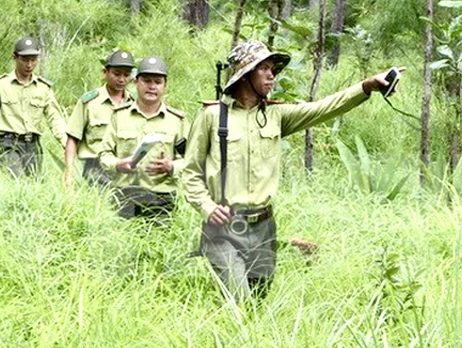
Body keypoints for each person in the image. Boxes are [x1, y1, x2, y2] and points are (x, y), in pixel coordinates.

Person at [181, 39, 404, 301]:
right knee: (239, 300)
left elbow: (322, 109)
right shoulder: (211, 117)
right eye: (263, 68)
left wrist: (366, 86)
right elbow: (190, 171)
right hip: (223, 230)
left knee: (258, 302)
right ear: (244, 75)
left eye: (272, 69)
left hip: (263, 227)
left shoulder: (276, 116)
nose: (271, 74)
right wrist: (207, 207)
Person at [99, 56, 188, 219]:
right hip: (124, 196)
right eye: (146, 81)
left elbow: (191, 161)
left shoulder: (177, 121)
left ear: (165, 85)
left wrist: (171, 166)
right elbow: (104, 155)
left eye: (157, 82)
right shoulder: (119, 116)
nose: (152, 87)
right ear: (136, 82)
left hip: (162, 197)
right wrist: (118, 164)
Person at [0, 36, 67, 178]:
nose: (29, 65)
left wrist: (66, 142)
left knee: (34, 186)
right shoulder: (0, 85)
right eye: (24, 59)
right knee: (14, 181)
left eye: (33, 59)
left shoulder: (43, 87)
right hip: (9, 145)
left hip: (33, 146)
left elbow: (55, 117)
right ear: (15, 58)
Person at [64, 49, 135, 186]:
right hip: (95, 168)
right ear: (105, 72)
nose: (121, 79)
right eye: (117, 74)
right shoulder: (90, 102)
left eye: (126, 75)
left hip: (124, 167)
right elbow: (73, 138)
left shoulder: (134, 104)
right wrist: (69, 173)